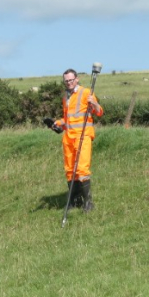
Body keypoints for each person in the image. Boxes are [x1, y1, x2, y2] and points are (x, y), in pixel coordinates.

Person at [52, 68, 103, 210]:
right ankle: (75, 200)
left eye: (71, 80)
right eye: (66, 81)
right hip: (68, 137)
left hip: (83, 135)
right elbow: (68, 119)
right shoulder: (65, 97)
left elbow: (99, 112)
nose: (68, 83)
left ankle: (88, 202)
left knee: (82, 169)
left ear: (77, 79)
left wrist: (94, 103)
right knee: (69, 170)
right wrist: (57, 124)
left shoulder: (86, 93)